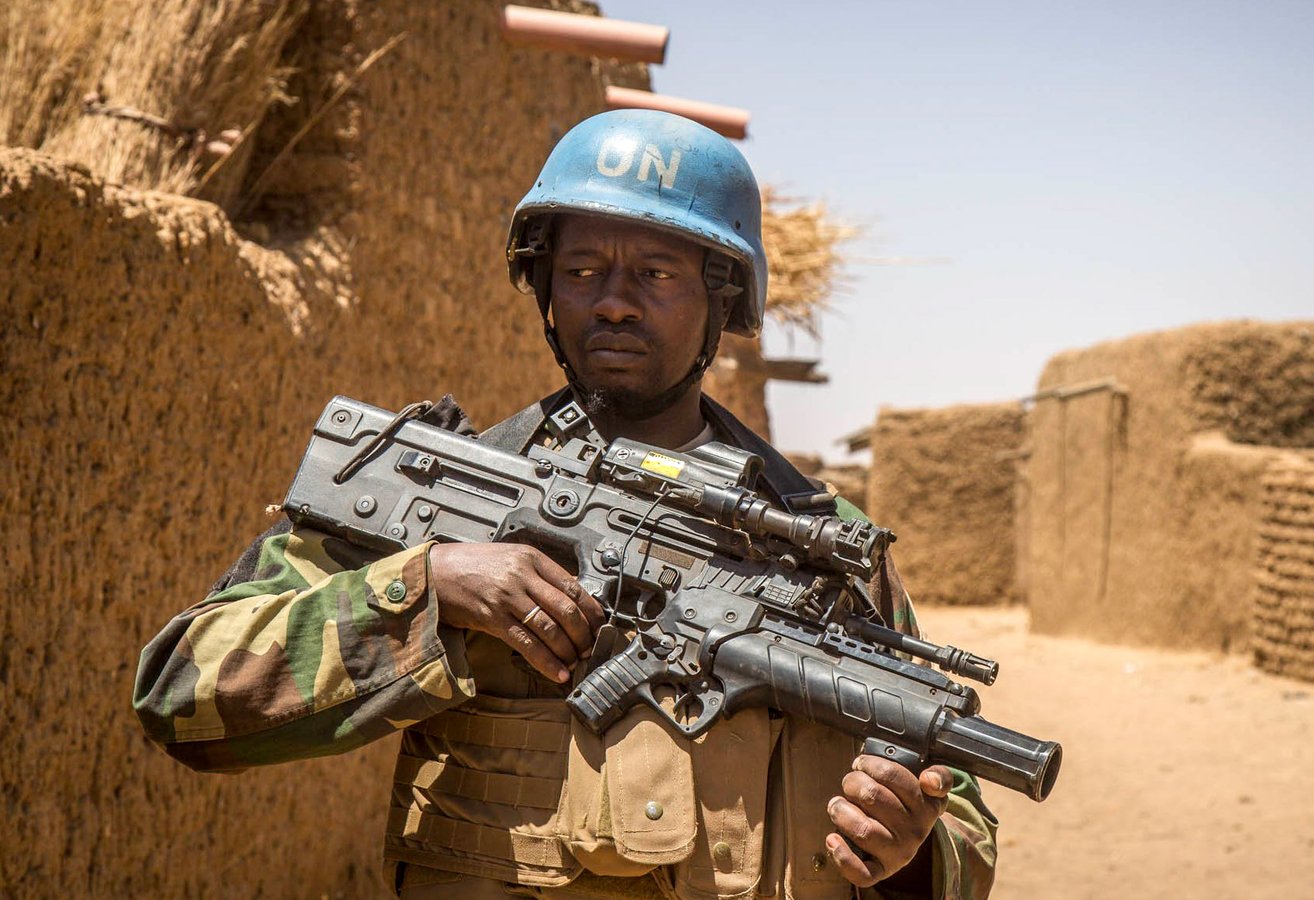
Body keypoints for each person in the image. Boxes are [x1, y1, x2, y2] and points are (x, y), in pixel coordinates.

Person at [133, 109, 998, 899]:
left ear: (723, 298)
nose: (613, 301)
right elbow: (183, 692)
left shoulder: (821, 543)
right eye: (582, 270)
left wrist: (912, 853)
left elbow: (958, 815)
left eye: (655, 273)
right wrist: (430, 590)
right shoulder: (451, 495)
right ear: (547, 287)